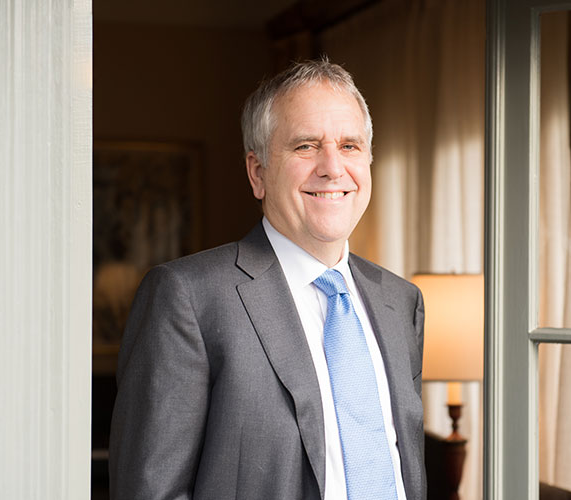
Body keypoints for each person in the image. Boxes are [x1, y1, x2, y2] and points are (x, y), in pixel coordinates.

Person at [108, 59, 426, 500]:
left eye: (350, 145)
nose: (333, 167)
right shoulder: (189, 299)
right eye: (306, 146)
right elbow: (150, 491)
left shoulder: (401, 302)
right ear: (257, 173)